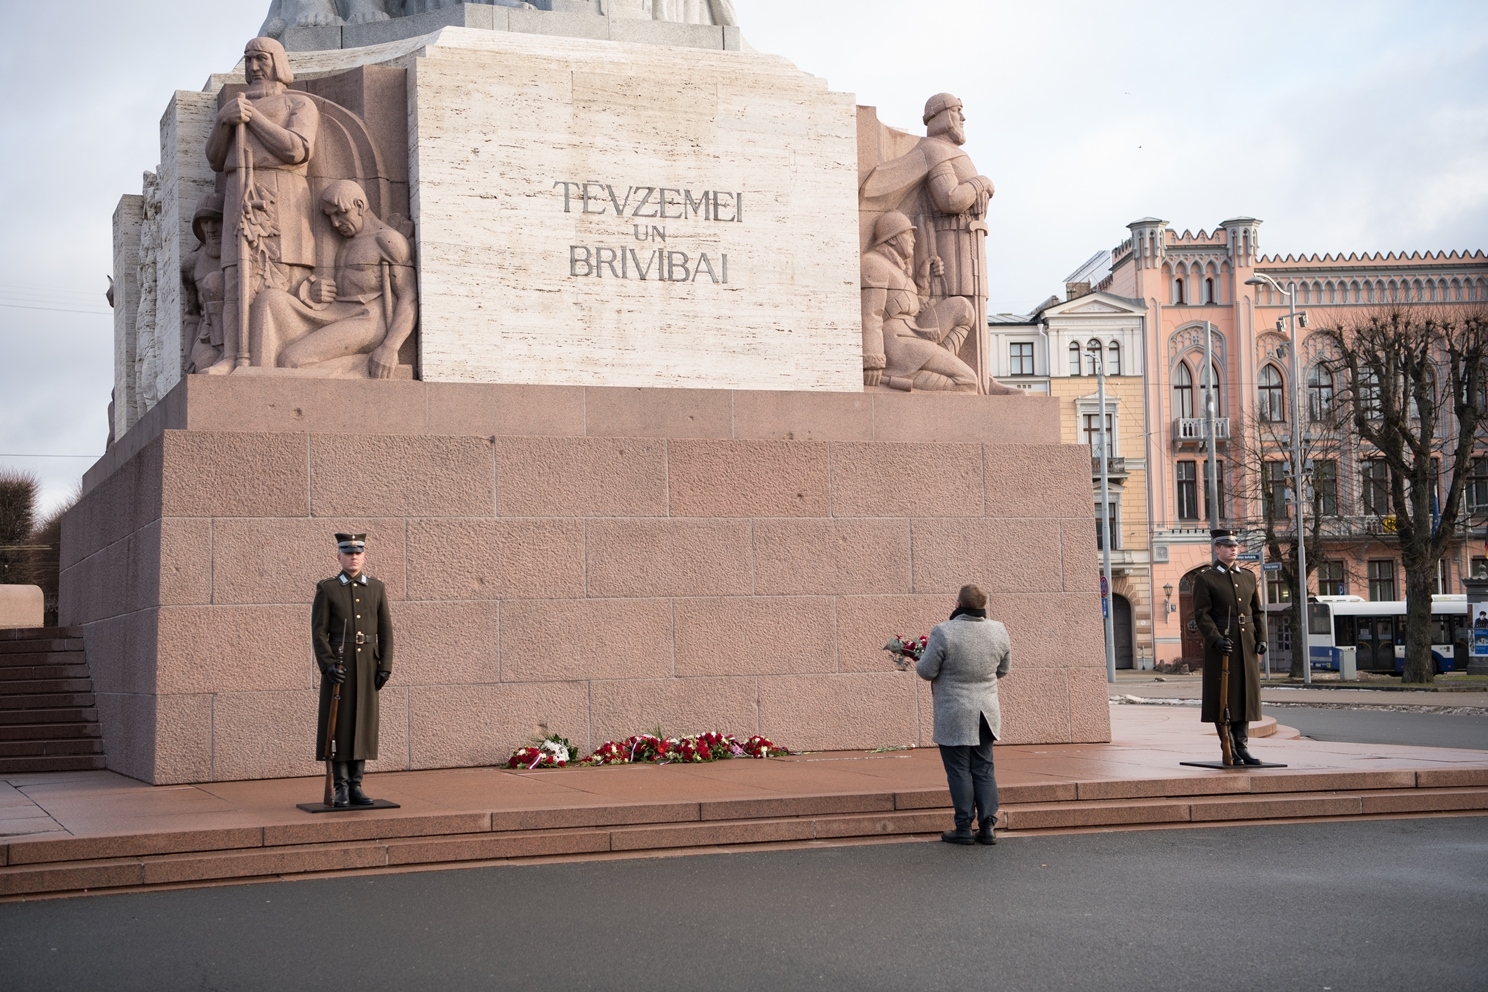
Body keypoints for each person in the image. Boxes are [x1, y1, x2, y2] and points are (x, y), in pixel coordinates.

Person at [203, 36, 321, 373]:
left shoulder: (298, 105)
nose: (253, 67)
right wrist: (224, 121)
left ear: (277, 63)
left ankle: (269, 357)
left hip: (283, 198)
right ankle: (231, 356)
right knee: (234, 279)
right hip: (238, 195)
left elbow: (296, 149)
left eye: (261, 59)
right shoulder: (234, 110)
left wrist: (253, 118)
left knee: (279, 280)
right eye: (248, 60)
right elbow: (214, 158)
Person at [249, 180, 417, 377]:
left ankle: (361, 366)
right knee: (269, 299)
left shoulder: (387, 240)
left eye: (340, 213)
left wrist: (390, 347)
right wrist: (315, 290)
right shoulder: (347, 243)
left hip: (367, 318)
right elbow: (341, 285)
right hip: (336, 312)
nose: (335, 223)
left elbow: (409, 297)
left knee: (290, 360)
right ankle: (259, 371)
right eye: (330, 216)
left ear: (359, 206)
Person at [915, 584, 1011, 845]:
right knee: (984, 768)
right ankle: (988, 826)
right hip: (986, 713)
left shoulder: (944, 631)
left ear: (958, 604)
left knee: (958, 770)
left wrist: (919, 656)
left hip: (954, 712)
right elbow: (1003, 670)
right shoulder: (998, 630)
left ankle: (963, 828)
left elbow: (926, 672)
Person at [312, 532, 394, 807]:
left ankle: (357, 786)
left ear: (364, 556)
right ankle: (341, 787)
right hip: (340, 667)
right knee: (340, 727)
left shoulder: (377, 588)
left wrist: (385, 666)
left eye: (358, 553)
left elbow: (386, 631)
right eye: (348, 553)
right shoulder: (328, 588)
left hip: (368, 666)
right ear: (339, 557)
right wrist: (327, 665)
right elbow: (319, 632)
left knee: (363, 725)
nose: (353, 557)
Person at [860, 211, 980, 392]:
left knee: (963, 308)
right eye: (908, 234)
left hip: (914, 333)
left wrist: (924, 278)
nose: (913, 240)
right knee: (968, 381)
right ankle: (909, 382)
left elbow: (909, 306)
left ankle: (929, 367)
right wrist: (873, 360)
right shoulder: (874, 263)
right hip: (897, 344)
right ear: (892, 239)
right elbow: (870, 314)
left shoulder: (899, 268)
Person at [1191, 529, 1267, 765]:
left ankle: (1242, 747)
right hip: (1223, 645)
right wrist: (1215, 639)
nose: (1233, 549)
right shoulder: (1206, 578)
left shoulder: (1247, 576)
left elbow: (1257, 611)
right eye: (1227, 546)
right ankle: (1229, 747)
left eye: (1235, 545)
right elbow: (1202, 615)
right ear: (1217, 549)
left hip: (1246, 644)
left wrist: (1261, 637)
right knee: (1224, 698)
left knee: (1245, 696)